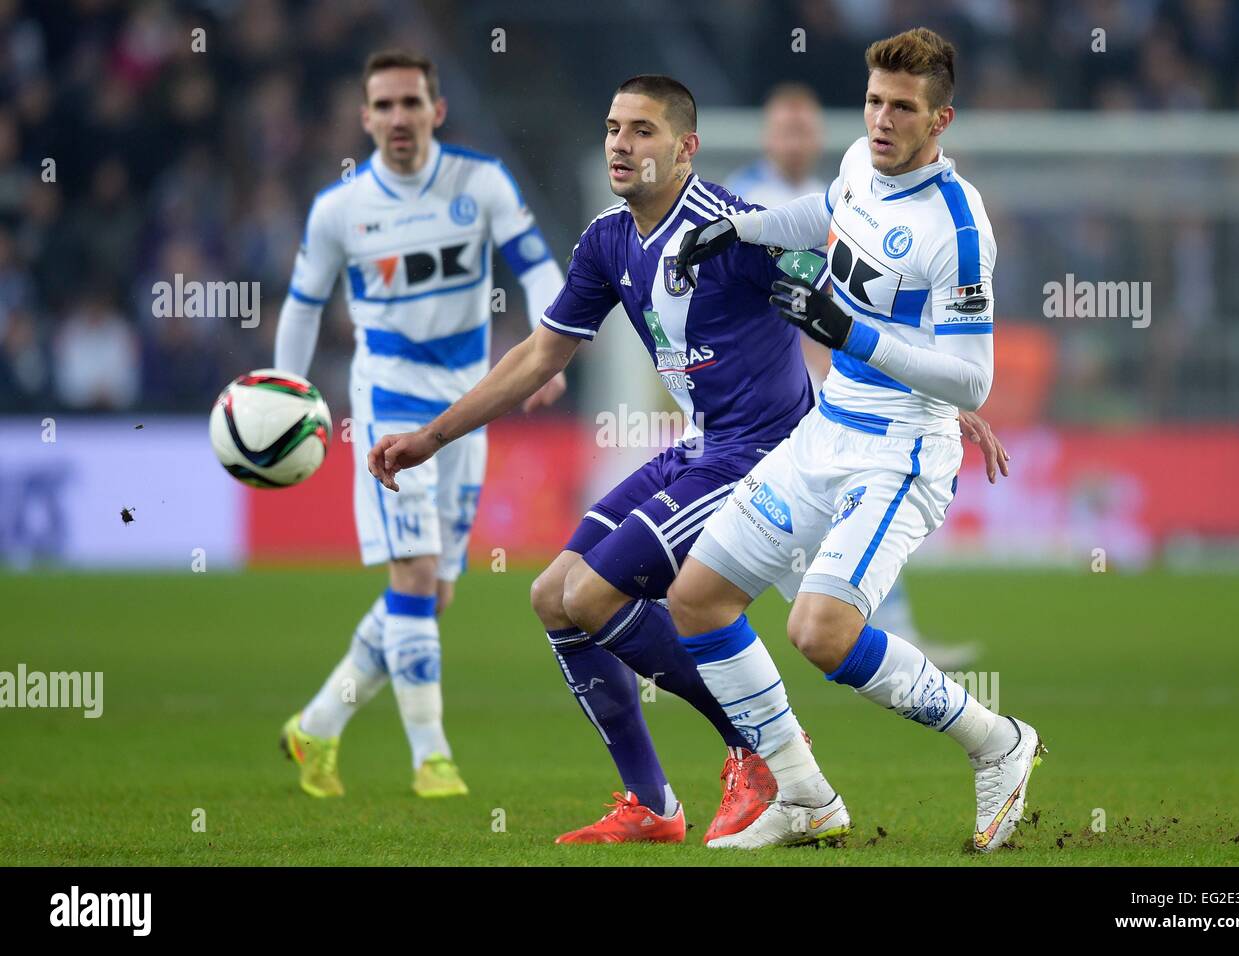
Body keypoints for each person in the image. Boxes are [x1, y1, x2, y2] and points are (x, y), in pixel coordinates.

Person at [369, 74, 849, 846]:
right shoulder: (607, 240)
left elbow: (846, 309)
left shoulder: (740, 228)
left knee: (594, 595)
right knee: (554, 595)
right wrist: (432, 436)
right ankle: (652, 805)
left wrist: (937, 393)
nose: (621, 145)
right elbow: (539, 357)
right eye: (613, 128)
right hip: (702, 446)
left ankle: (760, 752)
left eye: (643, 131)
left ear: (686, 148)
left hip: (766, 453)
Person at [669, 27, 1039, 851]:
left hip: (902, 450)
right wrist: (741, 231)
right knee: (696, 599)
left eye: (902, 108)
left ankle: (999, 744)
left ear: (939, 120)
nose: (881, 121)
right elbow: (826, 213)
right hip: (827, 427)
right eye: (874, 102)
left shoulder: (959, 227)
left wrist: (852, 333)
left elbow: (973, 381)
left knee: (819, 631)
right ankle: (803, 795)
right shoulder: (857, 165)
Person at [273, 50, 566, 800]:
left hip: (468, 409)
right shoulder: (340, 210)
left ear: (436, 111)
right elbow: (303, 305)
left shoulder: (481, 183)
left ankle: (315, 728)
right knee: (411, 576)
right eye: (385, 105)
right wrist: (286, 390)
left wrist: (553, 346)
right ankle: (431, 757)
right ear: (365, 118)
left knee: (431, 595)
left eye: (412, 103)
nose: (399, 117)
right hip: (389, 405)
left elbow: (538, 269)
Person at [727, 83, 988, 670]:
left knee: (852, 519)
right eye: (786, 128)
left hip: (841, 384)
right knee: (746, 525)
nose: (798, 139)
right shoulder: (746, 198)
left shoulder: (853, 186)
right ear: (767, 135)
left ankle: (888, 636)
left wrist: (946, 394)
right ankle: (693, 636)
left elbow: (886, 316)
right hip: (765, 390)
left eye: (806, 128)